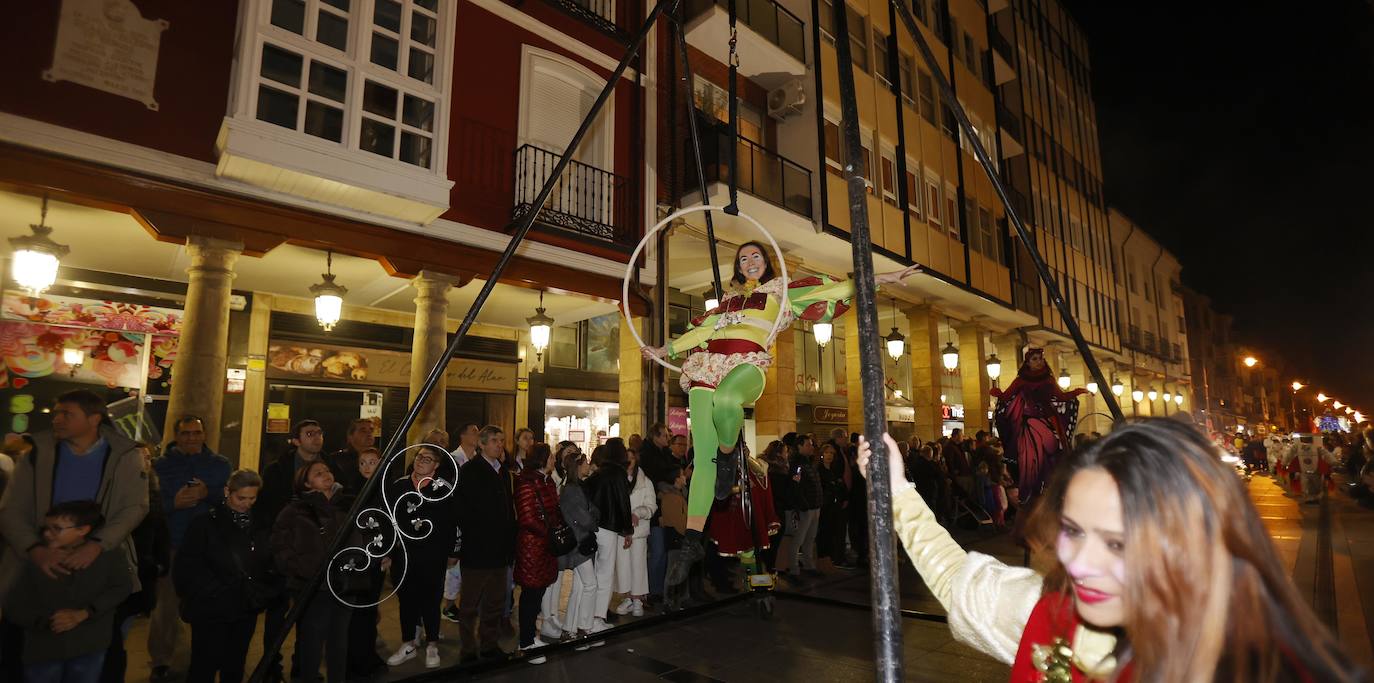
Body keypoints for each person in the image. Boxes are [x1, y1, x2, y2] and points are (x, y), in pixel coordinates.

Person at [859, 420, 1362, 681]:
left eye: (1118, 542)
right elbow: (957, 581)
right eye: (1073, 531)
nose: (1079, 564)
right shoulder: (1054, 617)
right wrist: (898, 489)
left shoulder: (1256, 666)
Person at [640, 242, 920, 586]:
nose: (749, 261)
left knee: (727, 403)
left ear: (767, 261)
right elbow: (700, 333)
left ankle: (727, 458)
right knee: (703, 462)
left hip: (746, 365)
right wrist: (663, 349)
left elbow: (834, 288)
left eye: (755, 255)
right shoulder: (726, 302)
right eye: (743, 258)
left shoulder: (780, 293)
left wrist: (881, 277)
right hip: (707, 366)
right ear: (739, 267)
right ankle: (693, 543)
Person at [0, 390, 146, 679]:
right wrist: (34, 549)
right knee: (26, 654)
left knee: (95, 652)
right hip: (38, 567)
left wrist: (96, 545)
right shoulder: (37, 454)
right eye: (56, 413)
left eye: (67, 414)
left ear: (94, 419)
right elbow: (11, 509)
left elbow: (135, 506)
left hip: (98, 565)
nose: (57, 419)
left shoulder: (124, 455)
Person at [4, 500, 133, 683]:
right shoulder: (34, 557)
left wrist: (84, 613)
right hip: (43, 649)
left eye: (57, 528)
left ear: (83, 530)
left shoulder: (108, 554)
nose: (48, 534)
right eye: (46, 527)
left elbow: (121, 588)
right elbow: (13, 603)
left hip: (89, 645)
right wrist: (47, 622)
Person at [174, 469, 282, 683]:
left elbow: (269, 560)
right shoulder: (204, 523)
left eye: (253, 498)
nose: (246, 503)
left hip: (244, 605)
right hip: (210, 607)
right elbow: (186, 566)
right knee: (203, 665)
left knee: (235, 664)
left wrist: (264, 588)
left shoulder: (261, 523)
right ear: (227, 492)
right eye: (241, 497)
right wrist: (206, 590)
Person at [149, 416, 232, 682]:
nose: (192, 438)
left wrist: (208, 494)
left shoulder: (220, 465)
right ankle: (161, 661)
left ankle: (203, 660)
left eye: (196, 433)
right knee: (166, 607)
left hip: (209, 548)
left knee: (207, 606)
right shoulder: (160, 466)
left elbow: (231, 501)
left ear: (205, 434)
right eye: (185, 433)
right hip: (172, 543)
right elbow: (146, 504)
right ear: (176, 435)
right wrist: (173, 503)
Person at [254, 419, 326, 680]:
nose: (316, 438)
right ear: (296, 440)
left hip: (314, 553)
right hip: (284, 553)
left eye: (319, 433)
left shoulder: (328, 467)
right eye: (310, 433)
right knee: (277, 616)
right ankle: (271, 668)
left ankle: (304, 668)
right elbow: (266, 512)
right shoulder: (277, 470)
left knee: (309, 617)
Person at [271, 461, 353, 683]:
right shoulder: (295, 510)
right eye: (318, 473)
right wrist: (300, 570)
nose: (326, 474)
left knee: (340, 643)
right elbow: (279, 545)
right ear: (306, 483)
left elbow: (358, 539)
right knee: (311, 643)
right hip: (312, 588)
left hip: (342, 585)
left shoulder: (346, 505)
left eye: (327, 470)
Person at [386, 445, 459, 669]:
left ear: (436, 466)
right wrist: (388, 552)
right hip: (404, 554)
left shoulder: (443, 489)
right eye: (419, 457)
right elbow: (388, 520)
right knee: (406, 600)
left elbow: (452, 522)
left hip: (433, 554)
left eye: (427, 459)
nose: (421, 461)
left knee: (431, 600)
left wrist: (453, 552)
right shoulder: (400, 485)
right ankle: (408, 643)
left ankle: (432, 644)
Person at [102, 442, 170, 683]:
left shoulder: (153, 489)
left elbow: (160, 530)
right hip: (115, 575)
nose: (146, 462)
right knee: (110, 641)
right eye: (140, 458)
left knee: (119, 637)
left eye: (148, 458)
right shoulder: (112, 491)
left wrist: (160, 562)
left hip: (141, 574)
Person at [990, 347, 1085, 503]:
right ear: (1027, 362)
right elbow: (1007, 395)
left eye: (1040, 359)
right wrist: (998, 393)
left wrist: (1075, 392)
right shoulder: (1021, 380)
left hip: (1047, 418)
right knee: (1029, 456)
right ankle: (1029, 489)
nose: (1039, 362)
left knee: (1053, 447)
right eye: (1034, 359)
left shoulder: (1048, 379)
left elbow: (1060, 396)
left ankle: (1048, 485)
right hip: (1028, 422)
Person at [455, 426, 517, 663]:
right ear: (481, 444)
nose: (499, 445)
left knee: (495, 603)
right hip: (478, 550)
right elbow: (461, 510)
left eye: (501, 440)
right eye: (494, 440)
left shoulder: (503, 471)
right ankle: (468, 650)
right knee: (470, 605)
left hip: (500, 551)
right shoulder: (470, 470)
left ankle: (489, 645)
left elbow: (508, 511)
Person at [342, 446, 389, 680]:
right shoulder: (352, 491)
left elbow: (389, 524)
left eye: (372, 462)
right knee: (357, 610)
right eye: (363, 463)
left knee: (370, 609)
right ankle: (355, 660)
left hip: (378, 558)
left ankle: (368, 656)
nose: (367, 467)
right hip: (358, 557)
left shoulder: (384, 489)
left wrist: (388, 553)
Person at [513, 443, 560, 664]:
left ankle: (531, 635)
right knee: (530, 594)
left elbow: (553, 511)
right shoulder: (526, 483)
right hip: (532, 547)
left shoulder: (547, 481)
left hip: (544, 547)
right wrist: (549, 533)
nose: (553, 460)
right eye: (551, 457)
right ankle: (526, 642)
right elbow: (528, 518)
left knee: (538, 591)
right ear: (542, 459)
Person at [582, 439, 633, 632]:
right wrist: (627, 530)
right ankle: (597, 618)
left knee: (592, 574)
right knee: (605, 574)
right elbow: (623, 503)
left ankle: (587, 617)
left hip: (594, 527)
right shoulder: (618, 474)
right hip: (610, 528)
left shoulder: (597, 475)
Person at [554, 449, 599, 645]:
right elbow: (585, 516)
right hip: (579, 544)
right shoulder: (572, 489)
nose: (589, 465)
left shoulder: (574, 487)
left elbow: (591, 511)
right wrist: (592, 521)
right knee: (590, 585)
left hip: (579, 542)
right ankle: (583, 628)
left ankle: (570, 630)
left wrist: (591, 516)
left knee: (580, 587)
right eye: (586, 462)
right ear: (578, 466)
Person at [614, 447, 658, 617]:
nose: (628, 462)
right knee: (623, 566)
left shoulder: (645, 481)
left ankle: (638, 598)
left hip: (638, 531)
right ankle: (628, 598)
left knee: (638, 564)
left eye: (631, 458)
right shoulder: (618, 480)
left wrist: (638, 513)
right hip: (621, 531)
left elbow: (652, 506)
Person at [775, 434, 823, 584]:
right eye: (808, 445)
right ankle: (794, 569)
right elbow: (796, 486)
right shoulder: (798, 464)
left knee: (810, 538)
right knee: (799, 540)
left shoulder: (808, 463)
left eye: (811, 444)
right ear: (800, 446)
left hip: (814, 506)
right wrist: (803, 505)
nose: (812, 447)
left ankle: (809, 565)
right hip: (806, 508)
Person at [655, 465, 689, 611]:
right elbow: (676, 519)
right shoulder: (672, 497)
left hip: (678, 535)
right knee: (673, 569)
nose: (685, 477)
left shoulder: (679, 494)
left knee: (681, 568)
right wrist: (686, 533)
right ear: (676, 479)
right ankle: (669, 601)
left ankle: (681, 599)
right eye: (682, 475)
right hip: (676, 536)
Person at [815, 442, 848, 567]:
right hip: (825, 506)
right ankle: (824, 557)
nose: (829, 456)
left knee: (836, 532)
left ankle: (835, 557)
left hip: (836, 505)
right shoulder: (819, 469)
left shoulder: (834, 469)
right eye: (827, 453)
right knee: (825, 532)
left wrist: (844, 498)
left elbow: (841, 485)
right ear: (822, 454)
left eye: (831, 453)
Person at [325, 418, 374, 498]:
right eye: (363, 431)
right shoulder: (337, 459)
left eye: (371, 430)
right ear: (350, 436)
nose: (369, 434)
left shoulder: (379, 459)